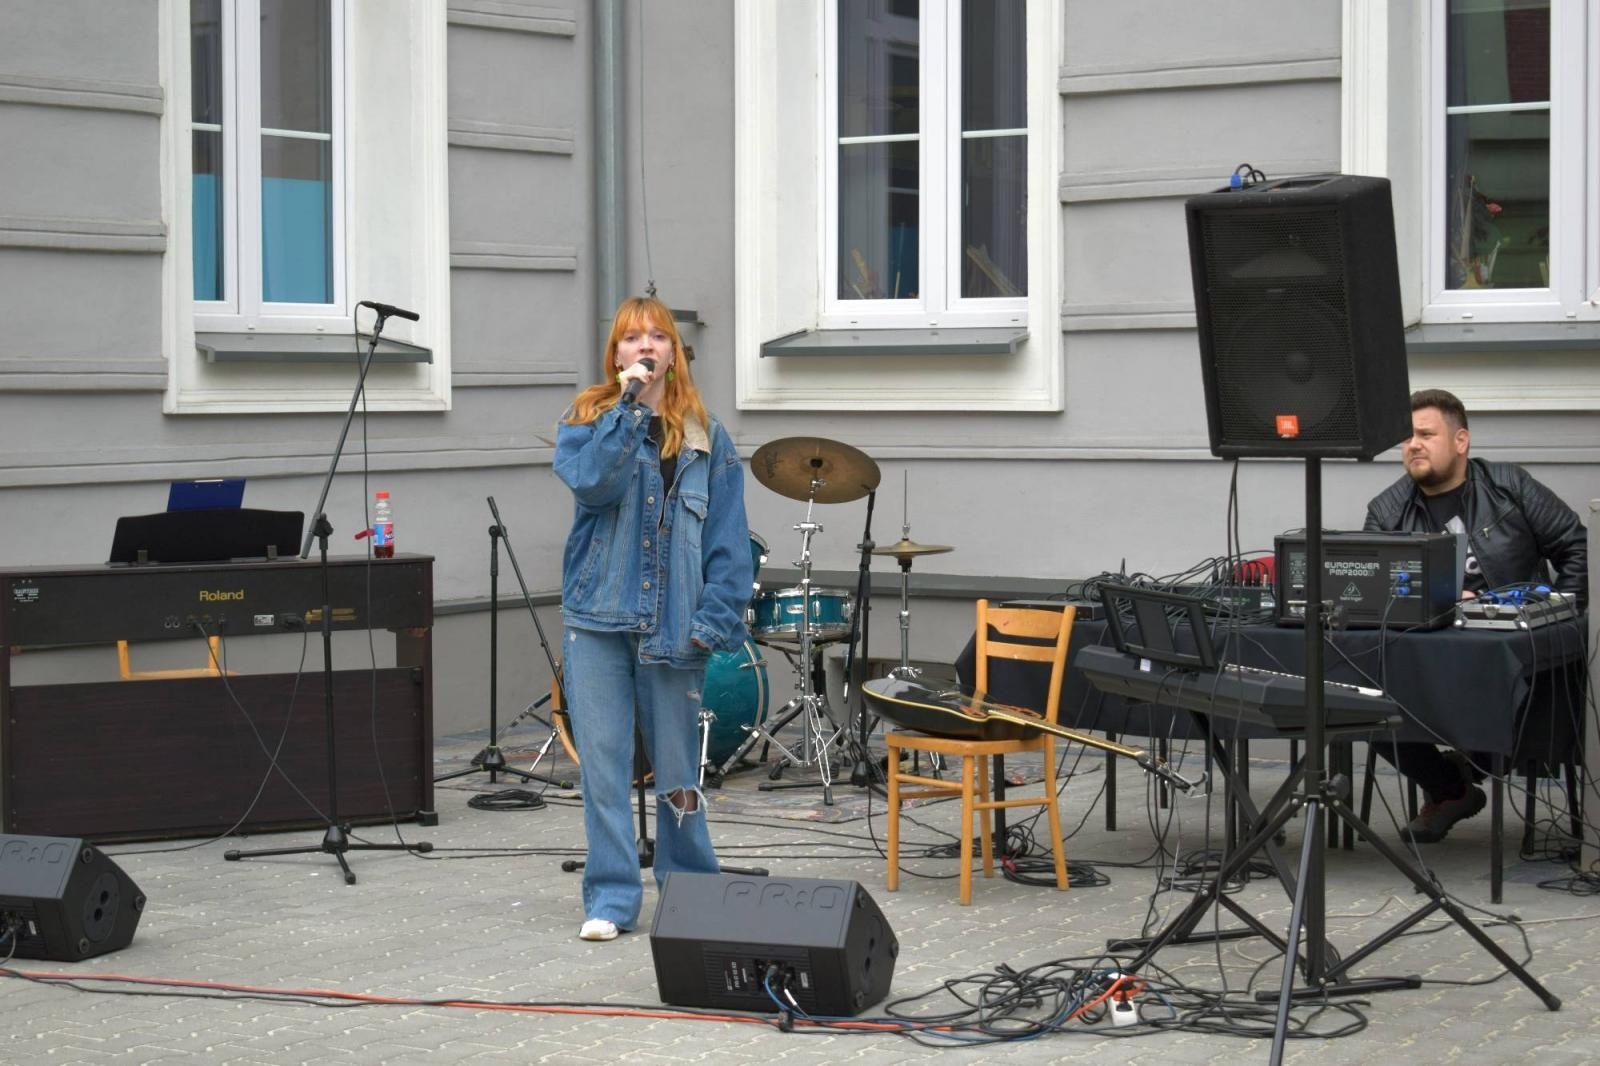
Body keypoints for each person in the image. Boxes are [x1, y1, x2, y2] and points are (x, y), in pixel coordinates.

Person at [553, 295, 754, 941]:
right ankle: (612, 900)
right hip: (598, 619)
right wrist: (629, 408)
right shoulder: (588, 421)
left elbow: (729, 541)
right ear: (615, 354)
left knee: (678, 775)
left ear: (674, 352)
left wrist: (714, 619)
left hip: (675, 624)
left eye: (657, 337)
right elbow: (593, 485)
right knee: (604, 769)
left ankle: (690, 894)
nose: (645, 346)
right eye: (631, 337)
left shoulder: (706, 435)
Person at [1364, 388, 1587, 844]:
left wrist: (1560, 613)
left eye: (1426, 434)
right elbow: (1375, 590)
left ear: (1461, 440)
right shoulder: (1386, 511)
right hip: (1427, 649)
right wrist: (1443, 600)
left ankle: (1470, 766)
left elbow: (1575, 545)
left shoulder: (1509, 486)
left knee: (1524, 692)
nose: (1413, 445)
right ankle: (1451, 788)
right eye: (1407, 437)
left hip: (1509, 647)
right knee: (1360, 686)